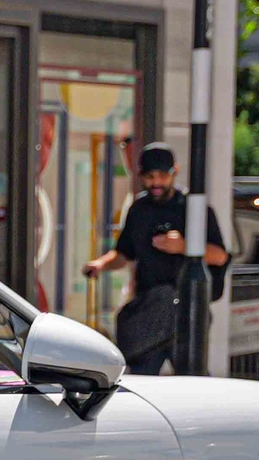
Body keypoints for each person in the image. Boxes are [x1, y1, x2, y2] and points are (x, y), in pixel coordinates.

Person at [83, 144, 227, 374]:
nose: (156, 183)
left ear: (175, 172)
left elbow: (220, 256)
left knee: (192, 380)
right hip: (150, 309)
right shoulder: (139, 209)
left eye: (162, 176)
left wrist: (183, 246)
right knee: (142, 378)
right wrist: (100, 264)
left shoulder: (193, 208)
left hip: (186, 310)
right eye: (149, 177)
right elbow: (123, 254)